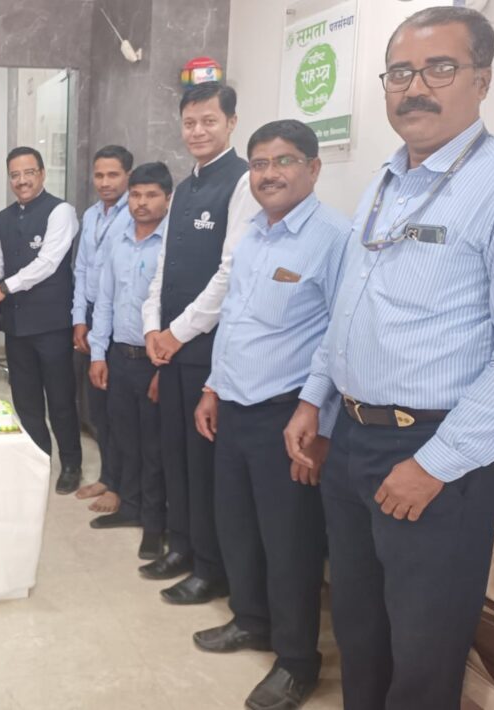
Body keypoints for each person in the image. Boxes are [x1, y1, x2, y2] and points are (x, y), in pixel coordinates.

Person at [284, 8, 494, 709]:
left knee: (423, 651)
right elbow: (350, 308)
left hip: (435, 454)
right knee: (360, 631)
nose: (416, 87)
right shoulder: (385, 181)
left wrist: (434, 465)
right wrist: (314, 399)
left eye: (440, 68)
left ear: (482, 79)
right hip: (351, 441)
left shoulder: (490, 186)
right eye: (400, 72)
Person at [192, 120, 347, 710]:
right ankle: (251, 620)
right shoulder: (253, 233)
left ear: (313, 168)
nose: (269, 174)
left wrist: (319, 421)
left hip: (288, 416)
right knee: (238, 527)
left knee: (290, 545)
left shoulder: (335, 238)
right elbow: (235, 321)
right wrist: (212, 387)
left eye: (284, 161)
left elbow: (339, 337)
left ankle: (296, 661)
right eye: (259, 163)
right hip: (233, 407)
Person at [140, 82, 261, 604]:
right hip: (171, 349)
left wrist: (177, 332)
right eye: (190, 122)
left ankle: (210, 567)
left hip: (207, 351)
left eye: (209, 121)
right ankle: (182, 545)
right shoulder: (185, 186)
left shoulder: (243, 182)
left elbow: (231, 273)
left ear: (231, 122)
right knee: (176, 455)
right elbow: (164, 266)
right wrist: (152, 327)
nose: (197, 131)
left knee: (204, 463)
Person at [0, 146, 83, 494]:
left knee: (60, 399)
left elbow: (47, 263)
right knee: (25, 399)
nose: (21, 181)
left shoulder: (61, 212)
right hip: (17, 324)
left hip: (51, 323)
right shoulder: (3, 217)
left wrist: (2, 289)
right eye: (15, 175)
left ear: (42, 174)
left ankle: (71, 464)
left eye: (28, 173)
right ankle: (39, 458)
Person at [86, 163, 171, 558]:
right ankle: (131, 506)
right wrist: (98, 354)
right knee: (125, 437)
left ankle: (154, 524)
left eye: (151, 195)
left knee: (154, 446)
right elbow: (105, 300)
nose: (142, 203)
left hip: (154, 361)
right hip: (119, 355)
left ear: (168, 199)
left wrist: (164, 368)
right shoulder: (118, 242)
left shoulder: (172, 246)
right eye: (136, 195)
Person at [72, 146, 134, 512]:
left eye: (113, 175)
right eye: (99, 175)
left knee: (118, 408)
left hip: (121, 319)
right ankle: (109, 476)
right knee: (96, 406)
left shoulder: (135, 213)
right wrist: (80, 318)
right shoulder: (92, 214)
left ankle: (122, 486)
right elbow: (81, 269)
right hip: (93, 315)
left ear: (127, 175)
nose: (105, 182)